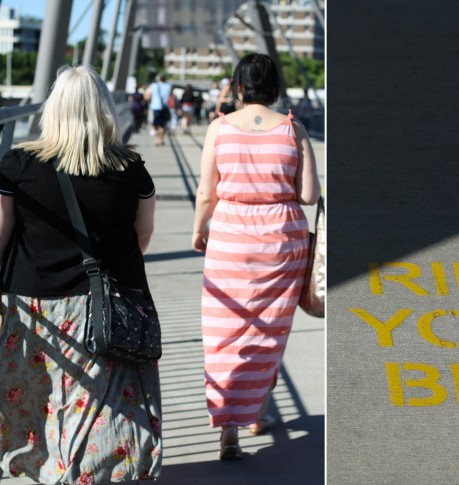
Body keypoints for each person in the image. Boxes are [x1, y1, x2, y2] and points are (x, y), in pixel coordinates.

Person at [0, 66, 161, 482]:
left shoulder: (18, 165)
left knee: (43, 400)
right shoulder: (131, 168)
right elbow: (142, 237)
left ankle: (51, 469)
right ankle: (91, 472)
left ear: (52, 110)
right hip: (108, 308)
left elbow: (0, 235)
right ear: (104, 109)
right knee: (99, 408)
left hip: (34, 306)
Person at [192, 53, 320, 460]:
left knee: (225, 333)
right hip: (282, 240)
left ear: (239, 87)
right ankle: (256, 414)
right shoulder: (292, 128)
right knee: (267, 333)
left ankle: (229, 428)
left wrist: (200, 231)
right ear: (276, 87)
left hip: (230, 238)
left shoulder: (220, 128)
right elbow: (309, 195)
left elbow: (206, 191)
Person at [145, 73, 172, 146]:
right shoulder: (168, 86)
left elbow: (146, 96)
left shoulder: (154, 85)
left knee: (155, 124)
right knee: (163, 124)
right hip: (165, 107)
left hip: (155, 107)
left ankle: (157, 140)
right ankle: (161, 139)